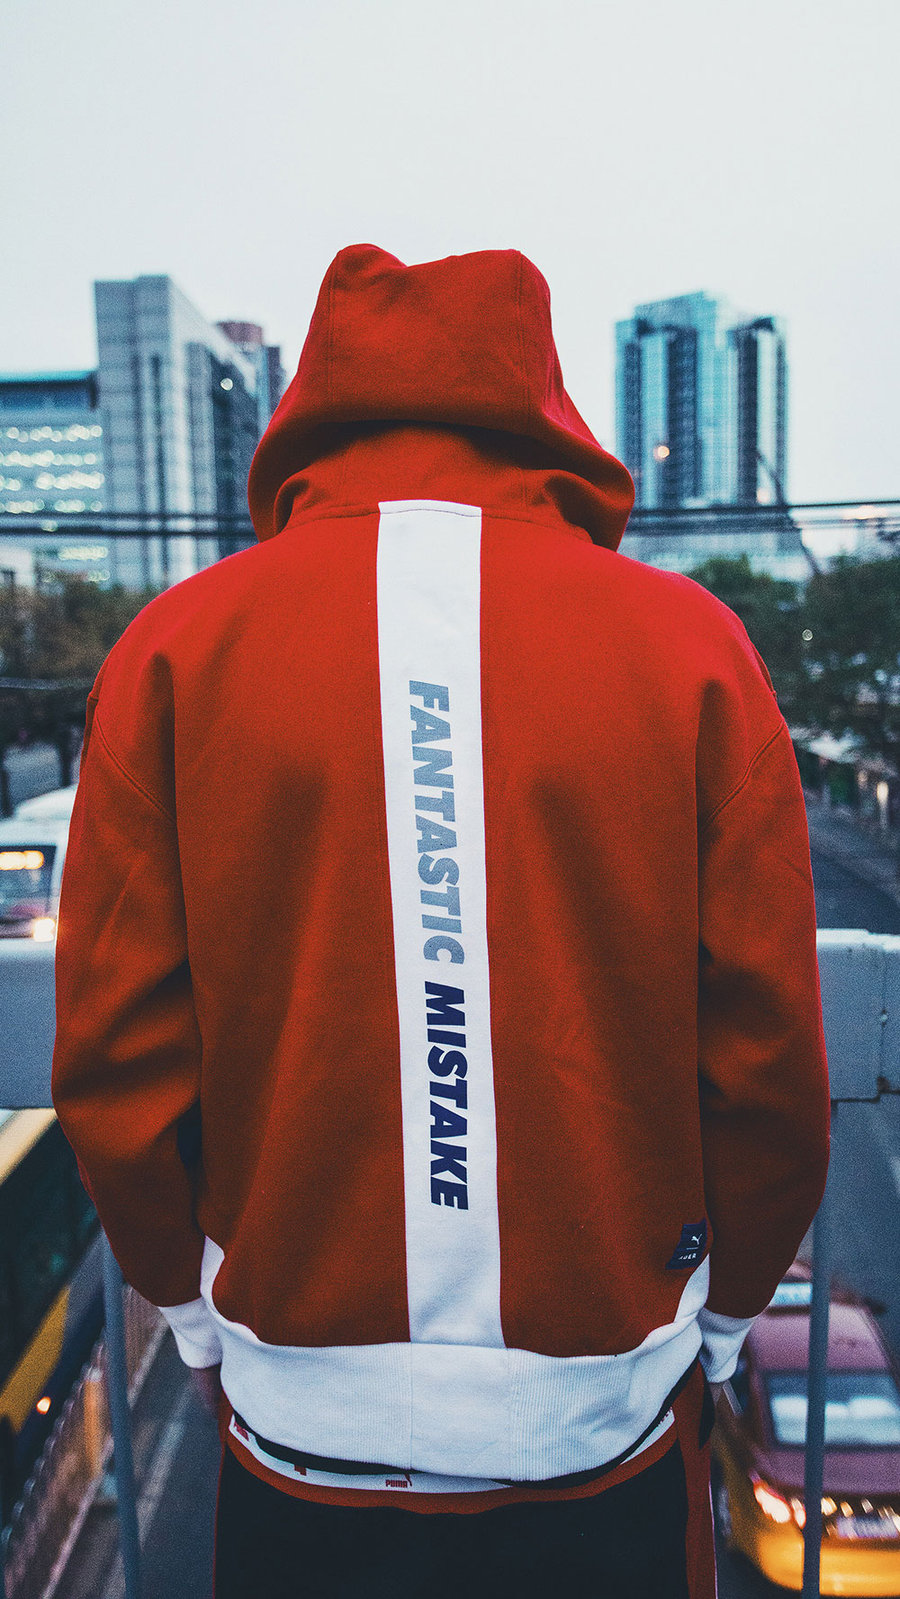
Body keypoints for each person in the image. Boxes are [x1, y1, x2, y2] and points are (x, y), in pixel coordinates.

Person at [51, 245, 830, 1598]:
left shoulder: (176, 649)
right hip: (602, 1428)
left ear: (316, 401)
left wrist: (190, 1310)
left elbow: (116, 1056)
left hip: (299, 1429)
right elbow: (767, 1058)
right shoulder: (692, 648)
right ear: (543, 400)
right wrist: (729, 1316)